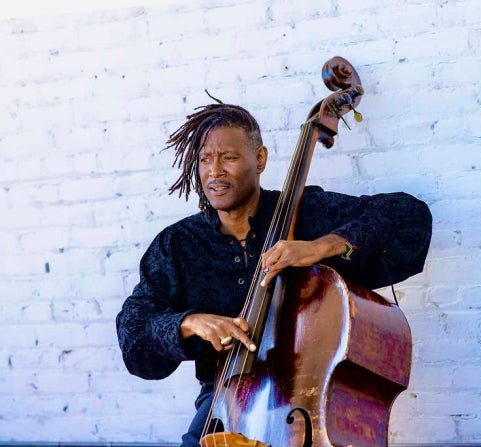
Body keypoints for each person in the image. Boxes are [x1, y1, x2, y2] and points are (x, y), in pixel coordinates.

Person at [115, 100, 432, 447]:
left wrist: (323, 246)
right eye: (205, 159)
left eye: (229, 158)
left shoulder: (305, 212)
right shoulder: (177, 245)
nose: (214, 171)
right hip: (223, 404)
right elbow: (134, 330)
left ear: (260, 159)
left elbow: (407, 215)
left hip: (308, 399)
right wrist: (189, 323)